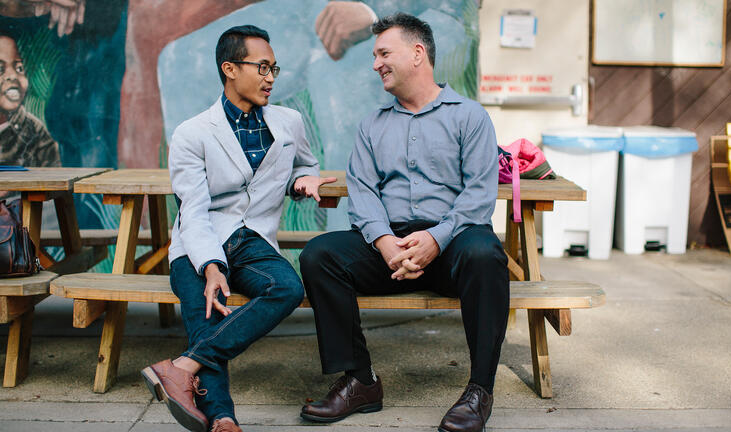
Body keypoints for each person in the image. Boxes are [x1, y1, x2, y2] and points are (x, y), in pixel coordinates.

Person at [299, 12, 508, 432]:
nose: (375, 63)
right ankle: (360, 380)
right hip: (389, 250)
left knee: (487, 254)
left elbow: (479, 196)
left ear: (417, 54)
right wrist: (384, 243)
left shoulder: (470, 117)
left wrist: (435, 237)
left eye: (383, 53)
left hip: (453, 246)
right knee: (320, 254)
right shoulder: (373, 125)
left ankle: (479, 390)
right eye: (374, 55)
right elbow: (363, 193)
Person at [140, 24, 336, 432]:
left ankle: (180, 368)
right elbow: (191, 212)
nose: (270, 78)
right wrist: (212, 267)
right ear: (229, 68)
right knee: (204, 312)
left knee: (287, 287)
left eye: (274, 69)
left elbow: (305, 163)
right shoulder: (192, 133)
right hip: (200, 242)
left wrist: (304, 182)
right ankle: (223, 416)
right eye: (261, 67)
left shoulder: (289, 121)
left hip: (253, 240)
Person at [0, 31, 60, 167]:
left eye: (19, 68)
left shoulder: (36, 133)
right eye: (0, 69)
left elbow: (55, 183)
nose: (12, 75)